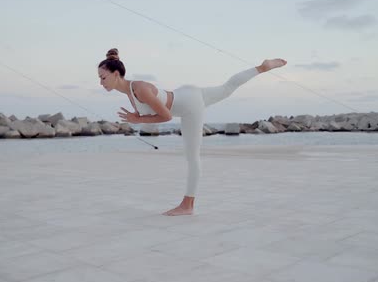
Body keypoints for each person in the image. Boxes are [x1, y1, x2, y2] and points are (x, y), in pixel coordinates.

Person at [98, 48, 287, 216]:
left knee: (192, 157)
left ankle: (188, 205)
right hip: (186, 94)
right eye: (99, 78)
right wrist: (138, 119)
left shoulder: (140, 89)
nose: (101, 82)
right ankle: (261, 68)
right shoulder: (131, 92)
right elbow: (155, 114)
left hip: (189, 105)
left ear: (116, 74)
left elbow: (166, 116)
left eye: (103, 77)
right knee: (227, 88)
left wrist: (138, 119)